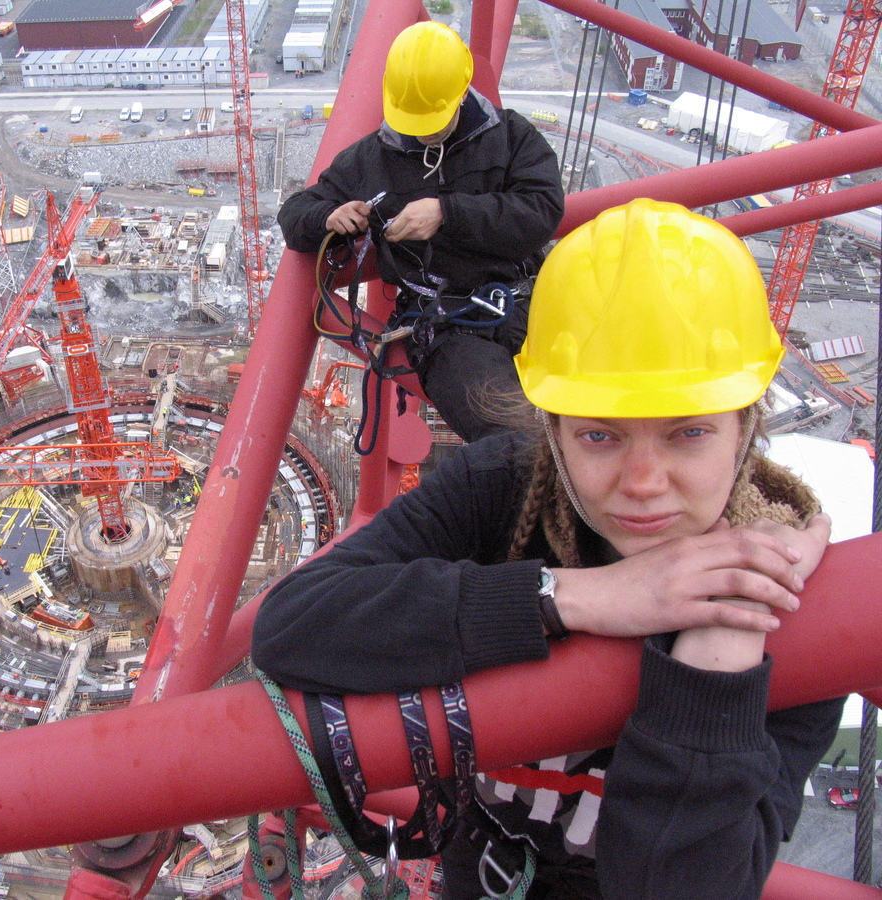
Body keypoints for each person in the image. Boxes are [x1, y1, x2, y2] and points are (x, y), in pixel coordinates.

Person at [253, 199, 844, 900]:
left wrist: (722, 644)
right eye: (601, 436)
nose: (644, 485)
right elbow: (293, 624)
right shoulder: (506, 486)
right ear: (554, 431)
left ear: (744, 429)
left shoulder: (801, 607)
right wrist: (573, 597)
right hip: (483, 870)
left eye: (689, 433)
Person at [277, 22, 565, 443]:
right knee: (516, 439)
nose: (422, 131)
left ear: (463, 92)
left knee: (613, 400)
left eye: (432, 119)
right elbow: (294, 215)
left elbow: (543, 211)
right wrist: (329, 217)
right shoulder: (370, 160)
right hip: (448, 325)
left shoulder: (511, 137)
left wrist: (448, 213)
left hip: (529, 297)